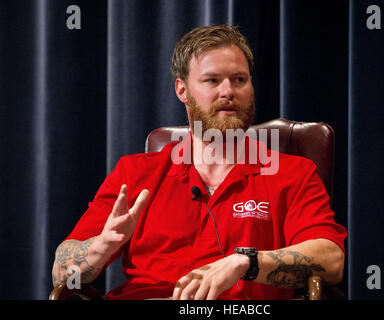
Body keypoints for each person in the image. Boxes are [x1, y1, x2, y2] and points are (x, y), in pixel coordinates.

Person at [52, 25, 347, 300]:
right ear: (182, 90)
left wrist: (246, 262)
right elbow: (61, 272)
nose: (228, 91)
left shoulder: (291, 172)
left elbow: (331, 259)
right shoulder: (135, 173)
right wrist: (104, 245)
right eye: (212, 80)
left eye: (239, 80)